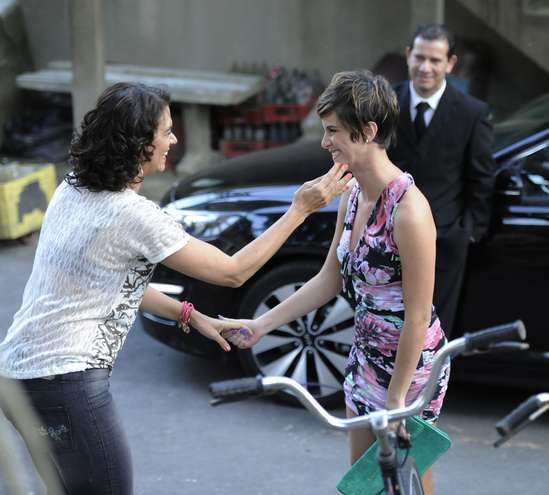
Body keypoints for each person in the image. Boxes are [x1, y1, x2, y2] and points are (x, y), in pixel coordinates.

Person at [0, 81, 350, 495]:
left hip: (18, 373)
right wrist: (300, 209)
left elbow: (104, 285)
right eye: (165, 131)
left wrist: (191, 315)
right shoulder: (133, 215)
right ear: (138, 143)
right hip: (63, 381)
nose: (174, 139)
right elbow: (234, 271)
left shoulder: (74, 186)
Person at [225, 70, 449, 494]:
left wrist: (399, 400)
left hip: (410, 366)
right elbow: (329, 279)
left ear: (367, 131)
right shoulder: (350, 193)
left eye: (333, 131)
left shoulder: (410, 210)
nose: (325, 142)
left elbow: (417, 317)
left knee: (409, 481)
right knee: (361, 486)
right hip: (364, 353)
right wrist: (261, 325)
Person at [388, 24, 496, 334]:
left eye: (435, 60)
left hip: (444, 242)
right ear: (408, 56)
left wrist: (468, 232)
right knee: (386, 329)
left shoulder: (472, 113)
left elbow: (481, 177)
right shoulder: (386, 104)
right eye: (419, 57)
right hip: (386, 239)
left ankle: (429, 385)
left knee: (433, 333)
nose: (425, 67)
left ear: (450, 63)